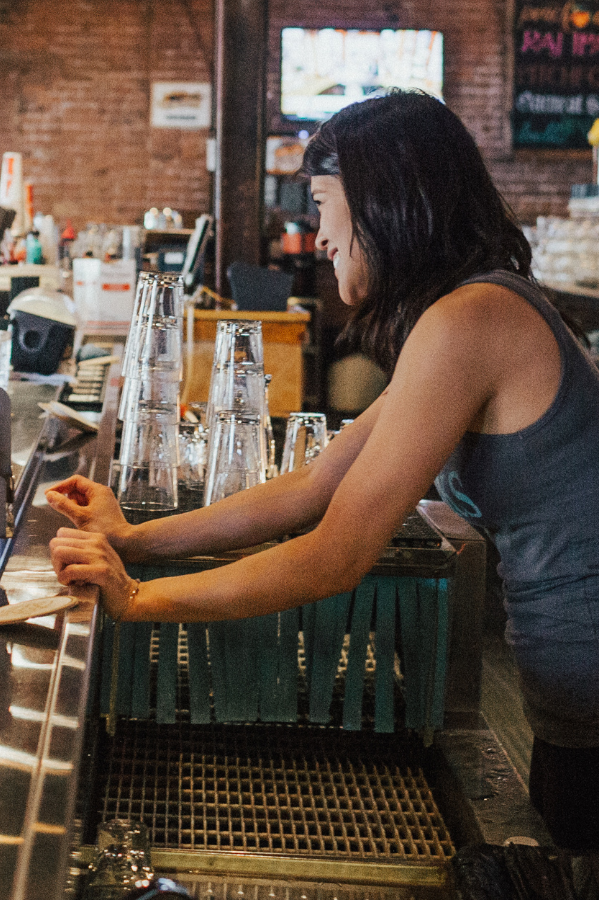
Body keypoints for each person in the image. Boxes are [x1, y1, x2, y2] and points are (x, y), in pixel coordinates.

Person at [45, 91, 599, 850]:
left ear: (384, 203)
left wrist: (139, 600)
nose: (316, 235)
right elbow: (313, 486)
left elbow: (337, 554)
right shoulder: (468, 314)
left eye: (322, 204)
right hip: (572, 693)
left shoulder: (472, 322)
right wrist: (135, 540)